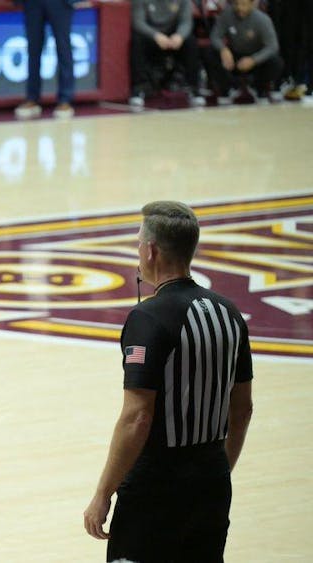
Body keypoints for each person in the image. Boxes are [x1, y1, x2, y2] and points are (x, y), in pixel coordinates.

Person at [83, 201, 254, 562]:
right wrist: (217, 471)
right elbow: (242, 410)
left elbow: (137, 417)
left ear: (150, 250)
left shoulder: (148, 318)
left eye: (138, 244)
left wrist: (102, 494)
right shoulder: (229, 313)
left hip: (156, 485)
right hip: (212, 479)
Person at [129, 0, 206, 108]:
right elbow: (138, 23)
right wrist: (156, 35)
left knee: (190, 41)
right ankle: (139, 89)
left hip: (173, 36)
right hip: (150, 35)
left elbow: (186, 22)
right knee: (137, 40)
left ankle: (194, 89)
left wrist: (180, 36)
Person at [204, 0, 284, 103]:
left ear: (252, 4)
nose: (239, 8)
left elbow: (272, 46)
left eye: (243, 4)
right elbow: (215, 36)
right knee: (210, 53)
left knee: (276, 62)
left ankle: (259, 88)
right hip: (234, 57)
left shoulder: (262, 20)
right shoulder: (226, 15)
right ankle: (228, 88)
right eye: (236, 4)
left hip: (255, 58)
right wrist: (223, 49)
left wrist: (254, 60)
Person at [14, 0, 76, 119]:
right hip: (33, 3)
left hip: (60, 3)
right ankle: (32, 98)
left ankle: (65, 99)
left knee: (64, 48)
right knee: (33, 49)